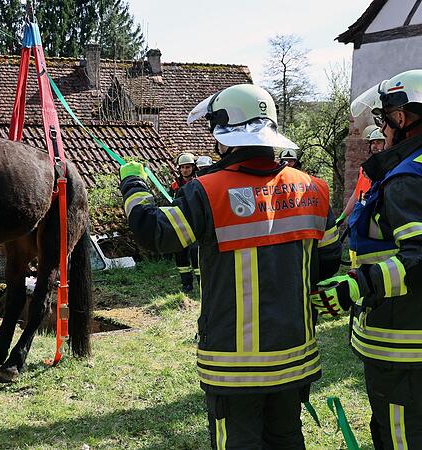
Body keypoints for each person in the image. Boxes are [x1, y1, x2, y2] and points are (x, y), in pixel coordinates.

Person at [120, 84, 341, 448]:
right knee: (286, 438)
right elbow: (329, 260)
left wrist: (133, 184)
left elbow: (154, 233)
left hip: (234, 366)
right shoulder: (313, 188)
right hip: (295, 357)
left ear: (224, 136)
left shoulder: (206, 191)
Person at [311, 69, 422, 449]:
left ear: (401, 118)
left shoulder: (408, 179)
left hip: (405, 349)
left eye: (382, 120)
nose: (381, 130)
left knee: (399, 437)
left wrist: (356, 284)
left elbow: (419, 260)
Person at [338, 127, 386, 227]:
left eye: (378, 142)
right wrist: (343, 216)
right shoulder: (364, 169)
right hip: (360, 213)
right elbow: (357, 194)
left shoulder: (388, 168)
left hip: (375, 216)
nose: (374, 146)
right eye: (373, 143)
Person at [169, 153, 200, 292]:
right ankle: (186, 284)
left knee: (196, 255)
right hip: (180, 224)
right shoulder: (174, 186)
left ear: (193, 168)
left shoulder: (199, 183)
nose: (185, 170)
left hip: (196, 224)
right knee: (180, 254)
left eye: (187, 167)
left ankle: (202, 284)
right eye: (182, 167)